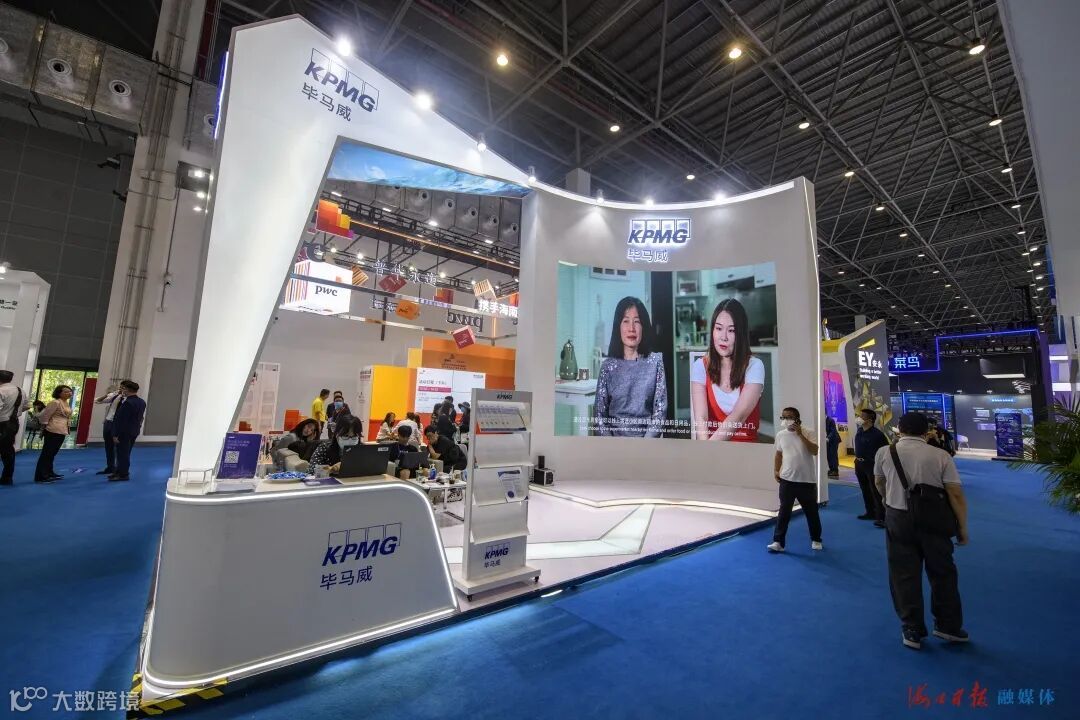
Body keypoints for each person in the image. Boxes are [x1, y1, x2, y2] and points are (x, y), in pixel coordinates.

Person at [874, 412, 969, 650]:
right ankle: (948, 625)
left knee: (903, 574)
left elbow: (879, 482)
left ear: (899, 429)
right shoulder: (940, 455)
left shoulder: (885, 452)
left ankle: (912, 628)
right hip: (934, 519)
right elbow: (955, 493)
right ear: (926, 431)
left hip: (898, 518)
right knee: (943, 573)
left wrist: (888, 500)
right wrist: (962, 527)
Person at [690, 298, 764, 442]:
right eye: (718, 328)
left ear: (741, 334)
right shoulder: (700, 366)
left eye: (731, 330)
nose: (723, 337)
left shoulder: (754, 366)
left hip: (745, 451)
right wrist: (704, 451)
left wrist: (708, 450)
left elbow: (738, 416)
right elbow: (701, 418)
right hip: (711, 450)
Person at [593, 296, 668, 437]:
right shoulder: (608, 367)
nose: (631, 328)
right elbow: (599, 419)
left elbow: (660, 414)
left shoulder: (655, 362)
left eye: (637, 321)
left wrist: (644, 446)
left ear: (643, 326)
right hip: (614, 445)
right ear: (618, 327)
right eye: (626, 321)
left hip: (646, 444)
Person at [767, 406, 822, 553]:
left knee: (811, 512)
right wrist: (776, 470)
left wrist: (800, 435)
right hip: (787, 480)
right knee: (784, 512)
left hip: (806, 481)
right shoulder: (781, 435)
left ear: (797, 419)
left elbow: (814, 451)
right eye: (784, 417)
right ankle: (778, 542)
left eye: (789, 417)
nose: (786, 420)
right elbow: (779, 454)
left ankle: (816, 539)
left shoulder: (809, 432)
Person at [854, 408, 890, 526]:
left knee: (876, 490)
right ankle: (870, 512)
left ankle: (882, 516)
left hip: (872, 465)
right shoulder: (859, 431)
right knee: (865, 489)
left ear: (870, 420)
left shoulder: (877, 435)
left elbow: (885, 451)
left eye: (862, 416)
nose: (859, 418)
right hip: (859, 464)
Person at [34, 385, 74, 484]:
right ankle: (41, 476)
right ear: (59, 393)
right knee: (47, 453)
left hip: (62, 430)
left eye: (70, 391)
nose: (69, 393)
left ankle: (49, 472)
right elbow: (45, 416)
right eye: (66, 392)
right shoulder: (55, 402)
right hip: (52, 429)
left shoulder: (65, 403)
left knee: (52, 453)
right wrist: (43, 429)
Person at [109, 380, 145, 481]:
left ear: (127, 389)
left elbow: (121, 420)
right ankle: (118, 471)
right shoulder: (142, 402)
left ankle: (123, 474)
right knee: (126, 452)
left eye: (123, 388)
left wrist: (115, 434)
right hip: (134, 430)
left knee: (122, 454)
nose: (122, 390)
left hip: (124, 432)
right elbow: (140, 418)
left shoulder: (128, 402)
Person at [0, 369, 29, 485]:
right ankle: (7, 477)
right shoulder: (20, 390)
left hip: (2, 423)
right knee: (8, 451)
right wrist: (13, 412)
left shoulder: (1, 390)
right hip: (13, 423)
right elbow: (27, 406)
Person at [94, 384, 126, 476]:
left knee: (119, 447)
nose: (121, 389)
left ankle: (119, 470)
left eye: (123, 388)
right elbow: (97, 401)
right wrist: (107, 394)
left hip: (118, 424)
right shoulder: (115, 396)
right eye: (120, 387)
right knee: (108, 446)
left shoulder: (128, 400)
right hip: (108, 422)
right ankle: (110, 467)